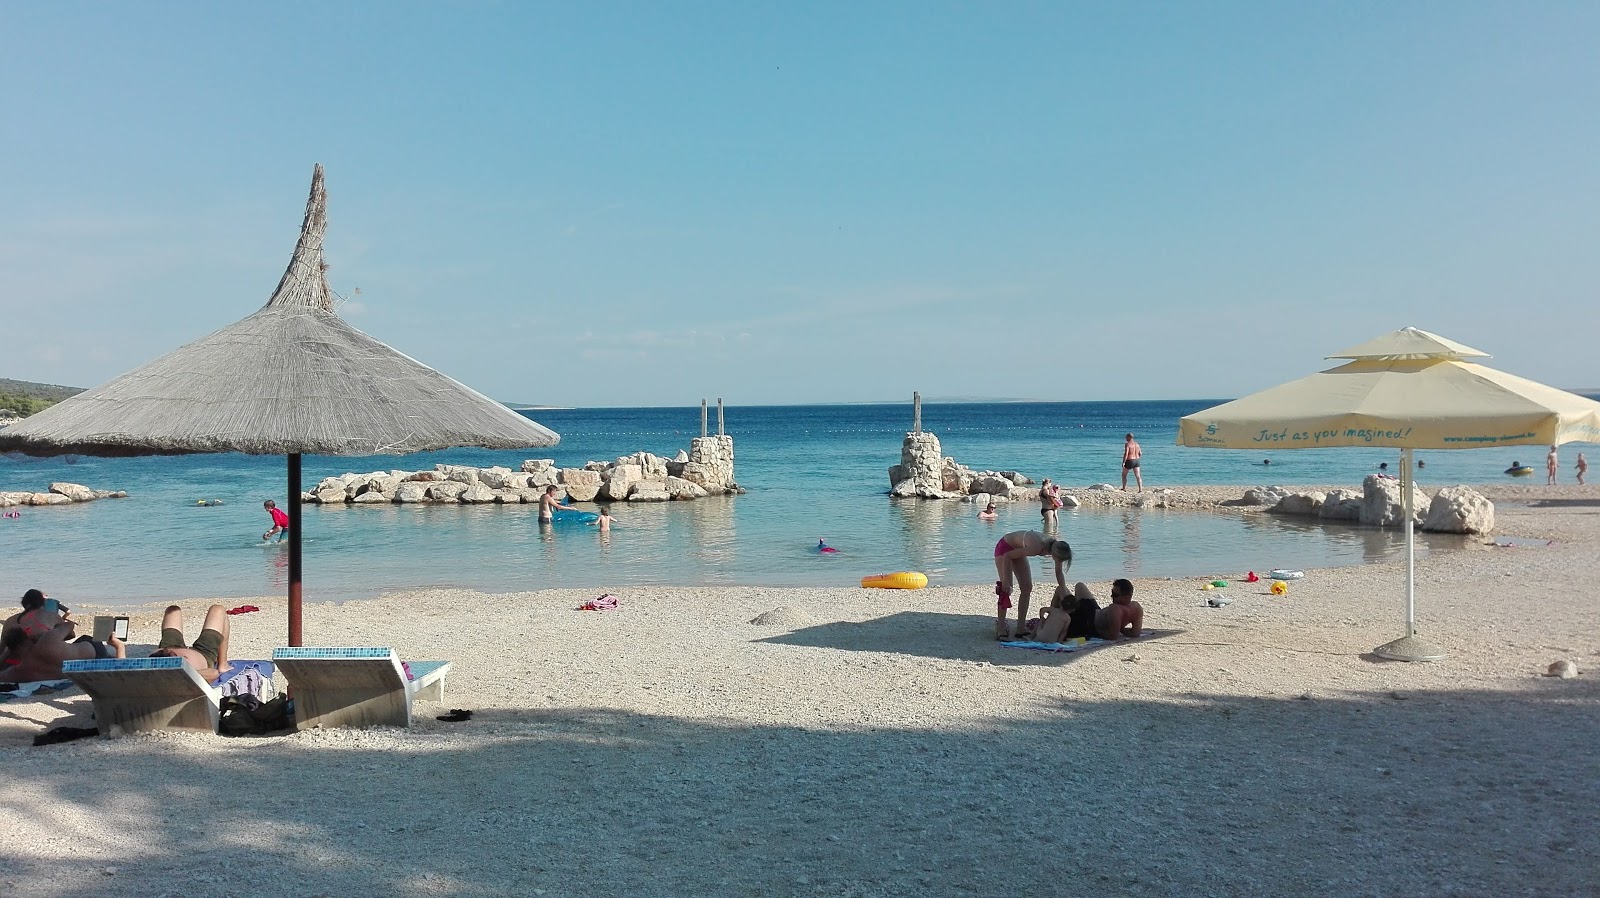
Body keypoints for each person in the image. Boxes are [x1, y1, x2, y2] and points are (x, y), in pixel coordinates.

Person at [992, 530, 1073, 640]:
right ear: (1055, 554)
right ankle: (1001, 628)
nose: (1060, 562)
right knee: (1006, 589)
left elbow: (1059, 572)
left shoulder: (1056, 548)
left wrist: (1063, 590)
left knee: (1027, 587)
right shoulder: (1037, 547)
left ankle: (1020, 628)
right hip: (1005, 548)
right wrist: (1005, 581)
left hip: (1017, 549)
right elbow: (1007, 556)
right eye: (1060, 560)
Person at [0, 613, 125, 682]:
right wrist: (45, 633)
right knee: (86, 638)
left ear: (12, 649)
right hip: (94, 654)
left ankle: (110, 657)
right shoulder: (46, 641)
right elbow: (69, 625)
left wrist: (6, 653)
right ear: (28, 637)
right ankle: (116, 651)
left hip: (74, 670)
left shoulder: (18, 671)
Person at [148, 604, 231, 684]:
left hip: (169, 647)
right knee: (218, 609)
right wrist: (187, 674)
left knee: (173, 610)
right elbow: (214, 673)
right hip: (204, 652)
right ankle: (223, 664)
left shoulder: (152, 667)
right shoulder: (186, 675)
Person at [1033, 582, 1102, 643]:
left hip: (1085, 622)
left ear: (1061, 604)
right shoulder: (1067, 618)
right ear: (1072, 610)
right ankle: (1051, 625)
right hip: (1092, 614)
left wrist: (1042, 618)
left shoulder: (1054, 610)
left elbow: (1042, 609)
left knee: (1061, 588)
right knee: (1079, 585)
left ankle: (1049, 624)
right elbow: (1063, 632)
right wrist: (1059, 642)